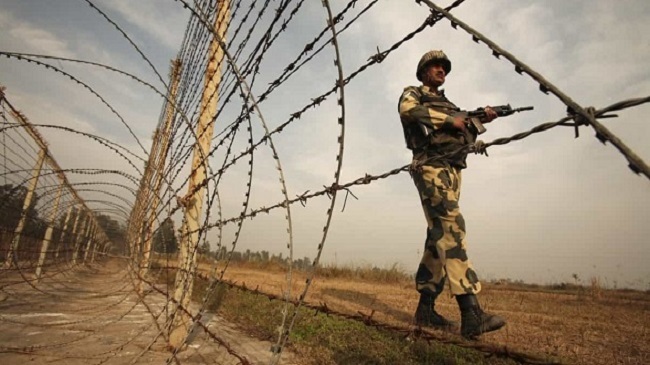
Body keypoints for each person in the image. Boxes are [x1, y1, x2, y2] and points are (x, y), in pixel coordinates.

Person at [397, 50, 506, 339]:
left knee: (439, 238)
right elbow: (408, 111)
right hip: (430, 165)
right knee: (453, 228)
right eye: (434, 66)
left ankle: (425, 310)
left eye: (444, 66)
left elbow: (463, 132)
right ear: (423, 72)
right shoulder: (413, 93)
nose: (440, 70)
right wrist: (451, 120)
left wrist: (480, 121)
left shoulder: (450, 105)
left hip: (453, 169)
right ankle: (471, 312)